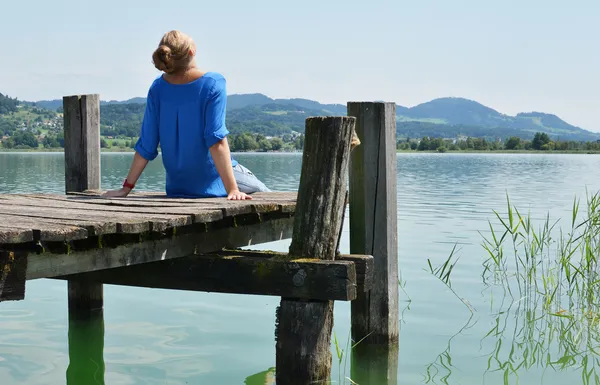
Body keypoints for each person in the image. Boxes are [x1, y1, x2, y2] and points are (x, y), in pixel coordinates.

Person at [103, 30, 270, 200]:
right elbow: (216, 141)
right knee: (268, 195)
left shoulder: (157, 88)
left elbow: (146, 145)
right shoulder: (214, 83)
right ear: (191, 51)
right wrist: (232, 189)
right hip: (216, 181)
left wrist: (126, 188)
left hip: (178, 187)